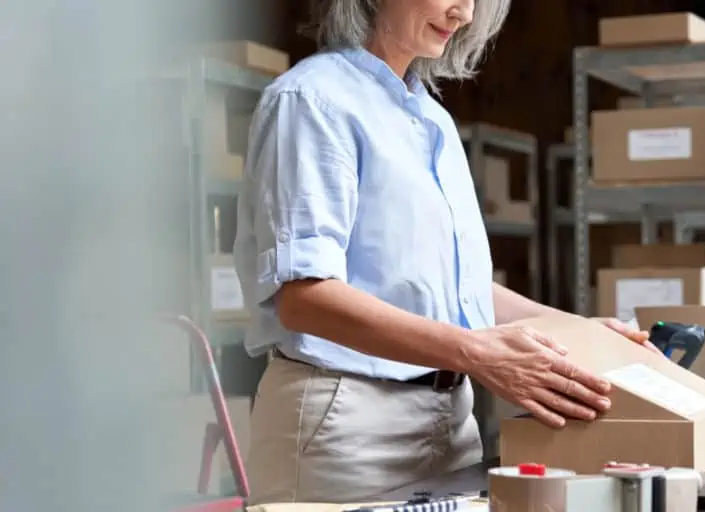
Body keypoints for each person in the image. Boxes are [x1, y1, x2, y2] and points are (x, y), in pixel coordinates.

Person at [233, 0, 656, 505]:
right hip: (347, 425)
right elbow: (304, 296)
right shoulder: (312, 102)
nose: (465, 13)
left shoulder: (430, 118)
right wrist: (477, 354)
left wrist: (578, 331)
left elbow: (460, 288)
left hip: (450, 420)